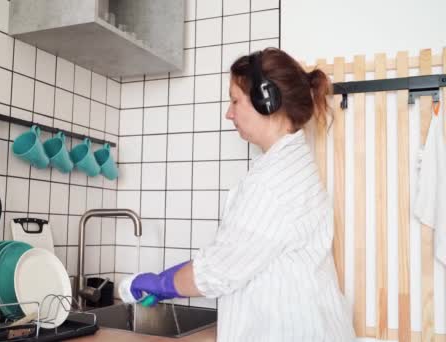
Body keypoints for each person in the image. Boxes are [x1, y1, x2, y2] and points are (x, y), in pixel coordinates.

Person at [128, 48, 355, 341]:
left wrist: (160, 283)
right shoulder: (291, 166)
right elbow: (237, 257)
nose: (229, 113)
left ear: (267, 100)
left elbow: (217, 272)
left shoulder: (272, 183)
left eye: (235, 100)